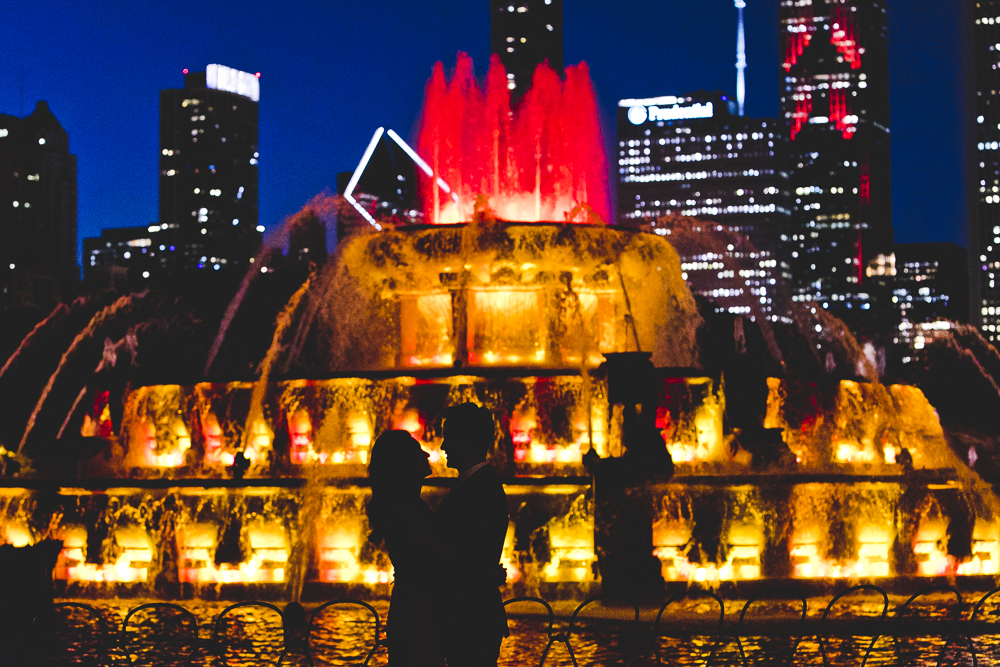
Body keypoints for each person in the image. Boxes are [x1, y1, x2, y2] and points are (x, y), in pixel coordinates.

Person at [437, 403, 510, 666]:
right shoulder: (480, 485)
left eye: (448, 438)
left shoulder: (478, 491)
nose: (443, 446)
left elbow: (466, 557)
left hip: (469, 616)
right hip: (474, 613)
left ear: (465, 441)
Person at [367, 430, 445, 666]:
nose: (427, 454)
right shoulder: (409, 509)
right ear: (404, 462)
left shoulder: (401, 506)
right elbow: (437, 555)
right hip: (419, 611)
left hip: (410, 605)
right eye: (417, 451)